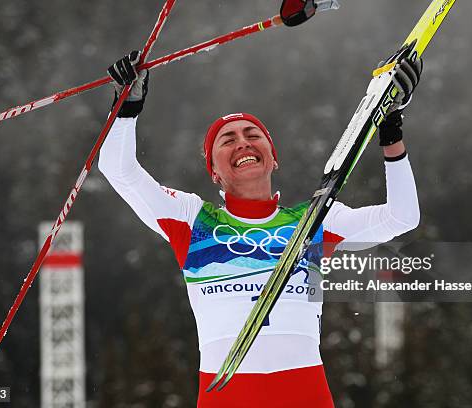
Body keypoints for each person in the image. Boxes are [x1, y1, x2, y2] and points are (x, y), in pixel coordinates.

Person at [99, 50, 422, 408]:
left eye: (252, 134)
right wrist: (125, 108)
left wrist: (391, 131)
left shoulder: (315, 220)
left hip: (304, 394)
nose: (242, 142)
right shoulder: (192, 220)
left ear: (273, 156)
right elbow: (120, 171)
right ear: (214, 173)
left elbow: (401, 218)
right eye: (228, 139)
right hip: (227, 396)